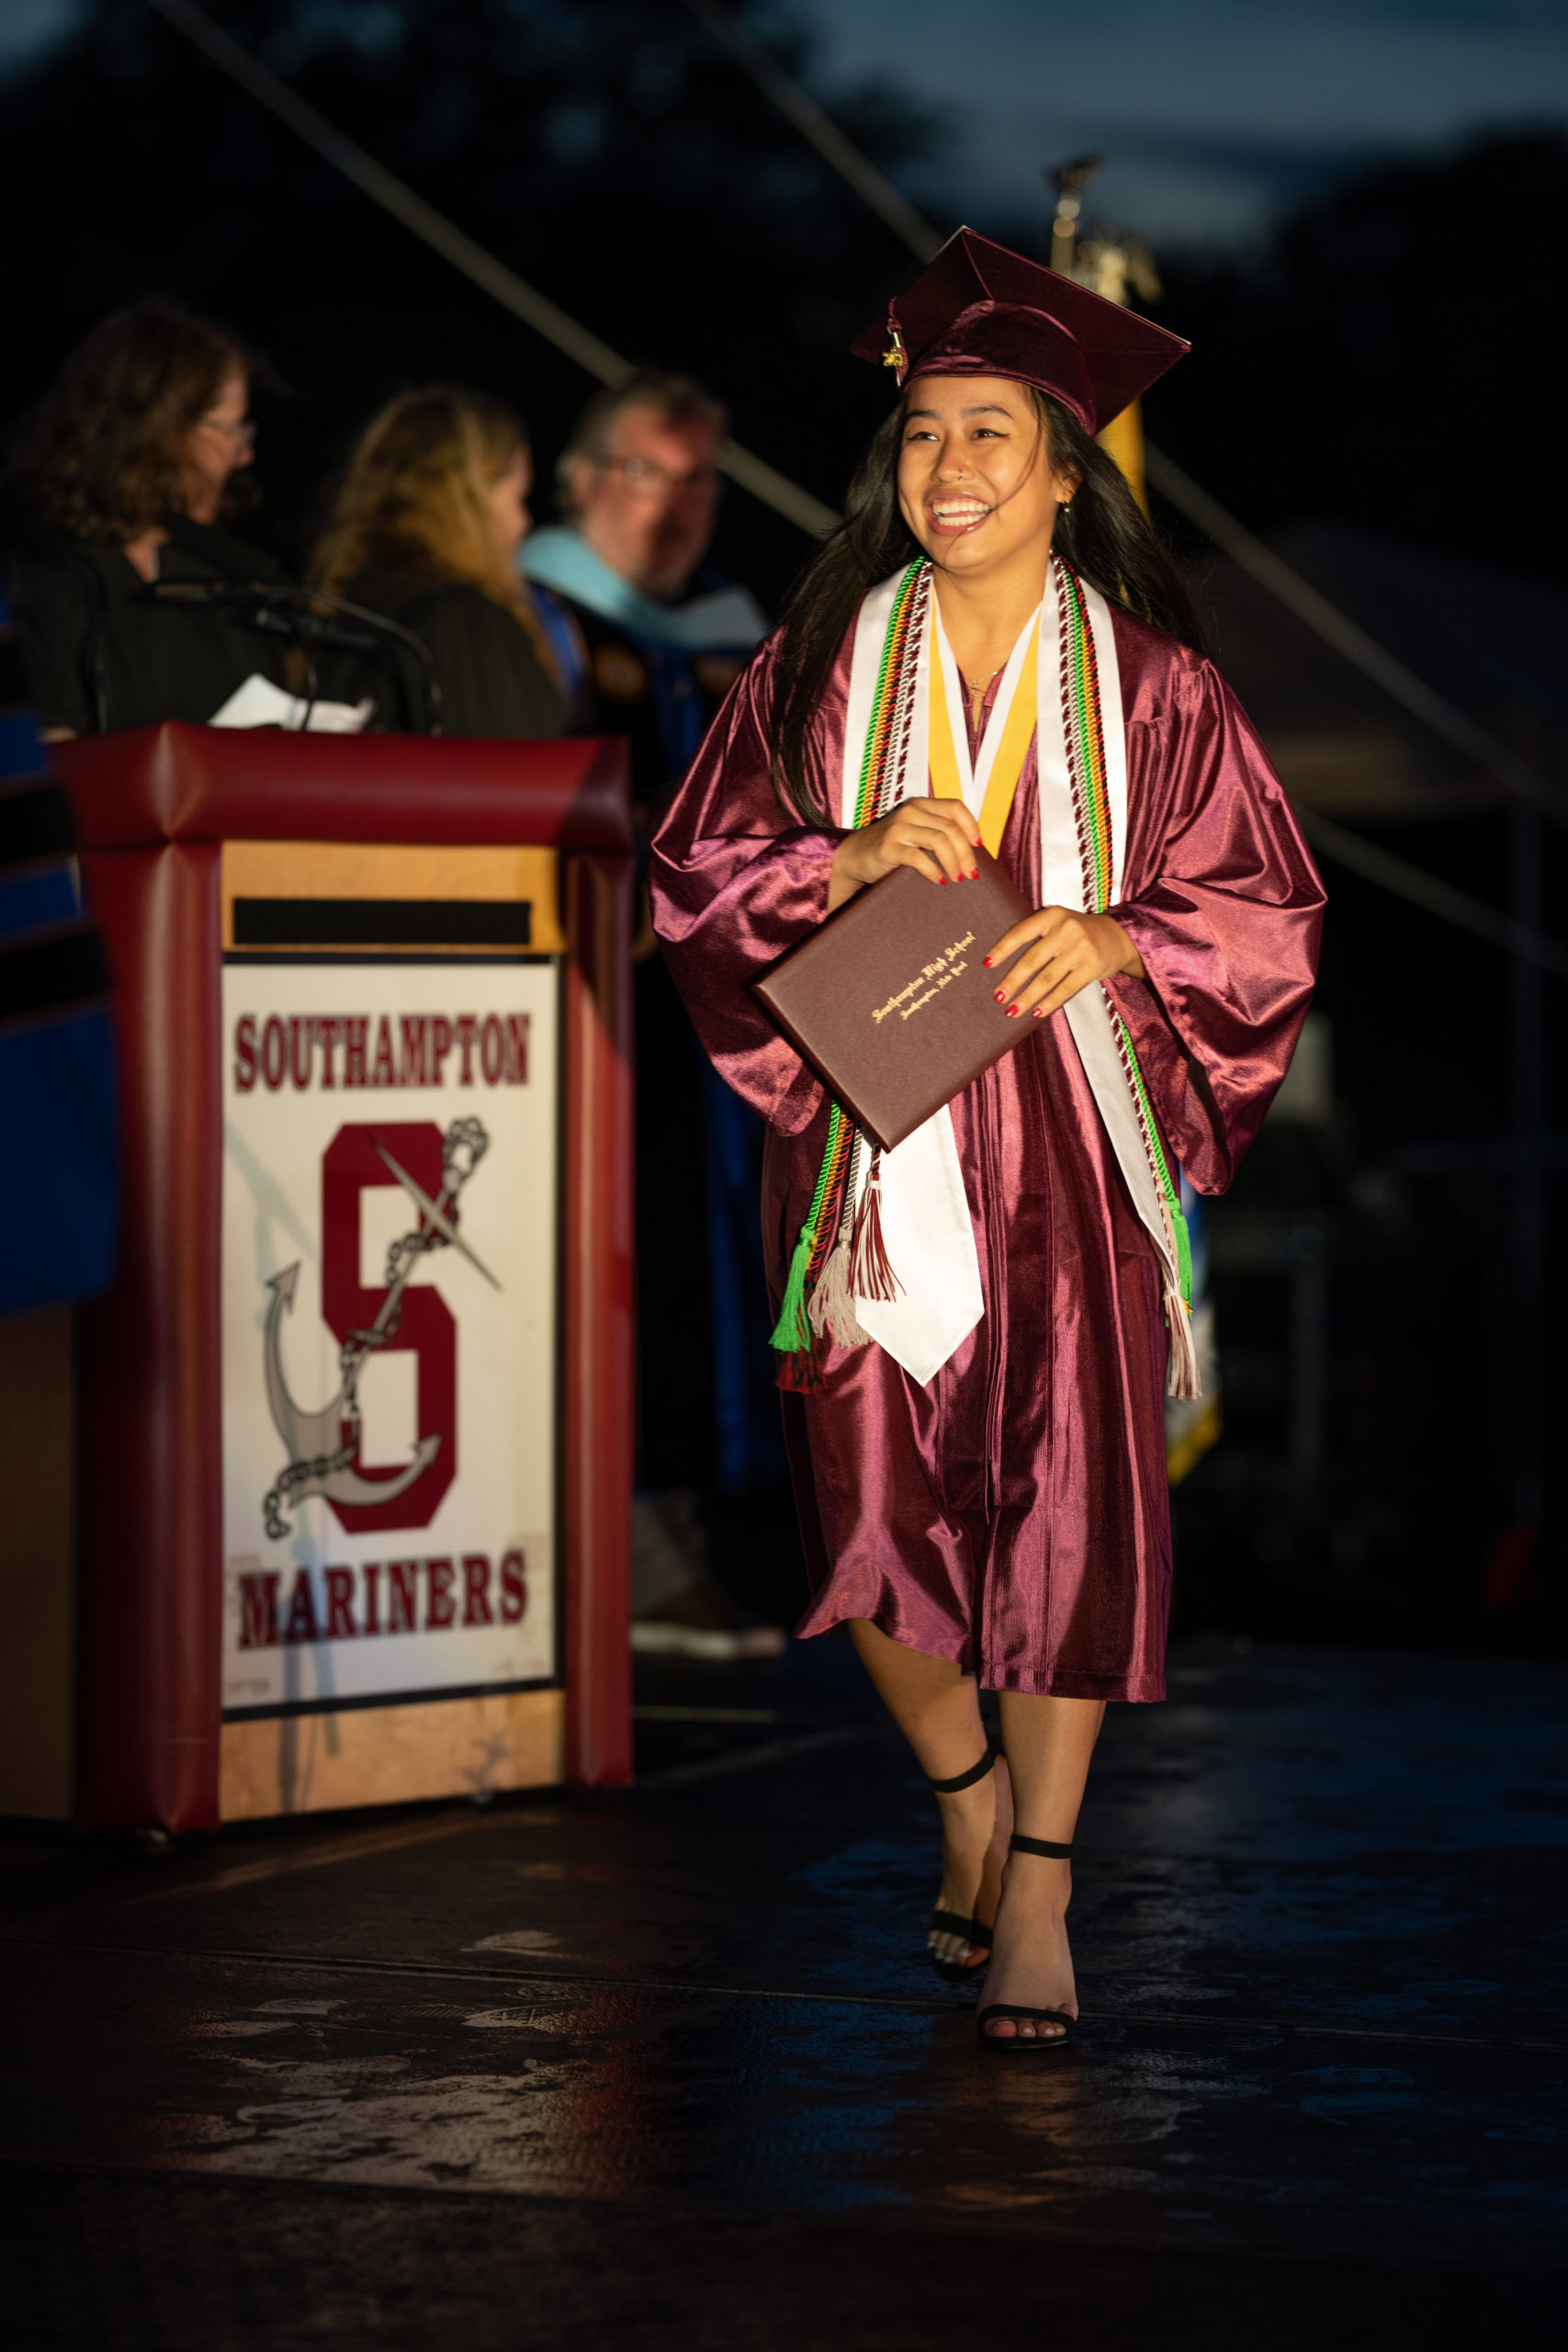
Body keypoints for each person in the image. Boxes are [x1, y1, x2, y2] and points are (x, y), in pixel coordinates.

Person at [650, 232, 1323, 2046]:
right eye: (923, 436)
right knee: (870, 1521)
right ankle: (960, 1800)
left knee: (1065, 1519)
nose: (943, 474)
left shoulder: (1159, 690)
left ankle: (1038, 1882)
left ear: (1061, 469)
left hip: (1074, 1141)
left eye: (987, 441)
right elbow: (692, 882)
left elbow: (1265, 914)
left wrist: (1122, 936)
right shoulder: (813, 670)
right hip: (878, 1142)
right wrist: (839, 856)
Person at [525, 374, 781, 1660]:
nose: (676, 507)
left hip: (709, 1015)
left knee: (701, 1266)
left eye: (699, 481)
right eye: (646, 473)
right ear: (575, 480)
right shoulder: (531, 620)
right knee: (611, 1258)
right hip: (582, 997)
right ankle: (610, 1558)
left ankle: (674, 1548)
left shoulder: (730, 636)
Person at [1, 301, 291, 738]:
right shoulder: (41, 570)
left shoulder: (218, 579)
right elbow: (43, 754)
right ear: (159, 432)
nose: (244, 454)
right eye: (229, 430)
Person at [310, 388, 565, 738]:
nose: (524, 522)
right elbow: (520, 778)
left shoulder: (342, 602)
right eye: (519, 498)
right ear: (470, 501)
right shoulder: (466, 626)